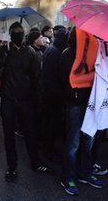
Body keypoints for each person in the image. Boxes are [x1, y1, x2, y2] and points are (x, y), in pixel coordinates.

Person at [0, 22, 49, 182]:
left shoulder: (30, 52)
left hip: (26, 100)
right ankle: (12, 167)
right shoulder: (3, 50)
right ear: (10, 34)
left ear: (23, 34)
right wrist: (4, 59)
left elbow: (36, 78)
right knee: (8, 135)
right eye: (15, 32)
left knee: (30, 133)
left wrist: (38, 101)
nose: (18, 34)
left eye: (20, 31)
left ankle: (35, 162)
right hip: (8, 100)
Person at [60, 27, 104, 195]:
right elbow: (62, 81)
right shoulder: (67, 54)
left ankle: (85, 173)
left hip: (91, 103)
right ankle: (67, 177)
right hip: (75, 105)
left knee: (89, 140)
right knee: (73, 144)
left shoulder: (97, 53)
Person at [38, 27, 68, 163]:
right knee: (51, 123)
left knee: (47, 122)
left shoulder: (51, 48)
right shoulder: (56, 52)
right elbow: (59, 75)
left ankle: (46, 147)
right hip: (53, 94)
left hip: (48, 92)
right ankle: (48, 150)